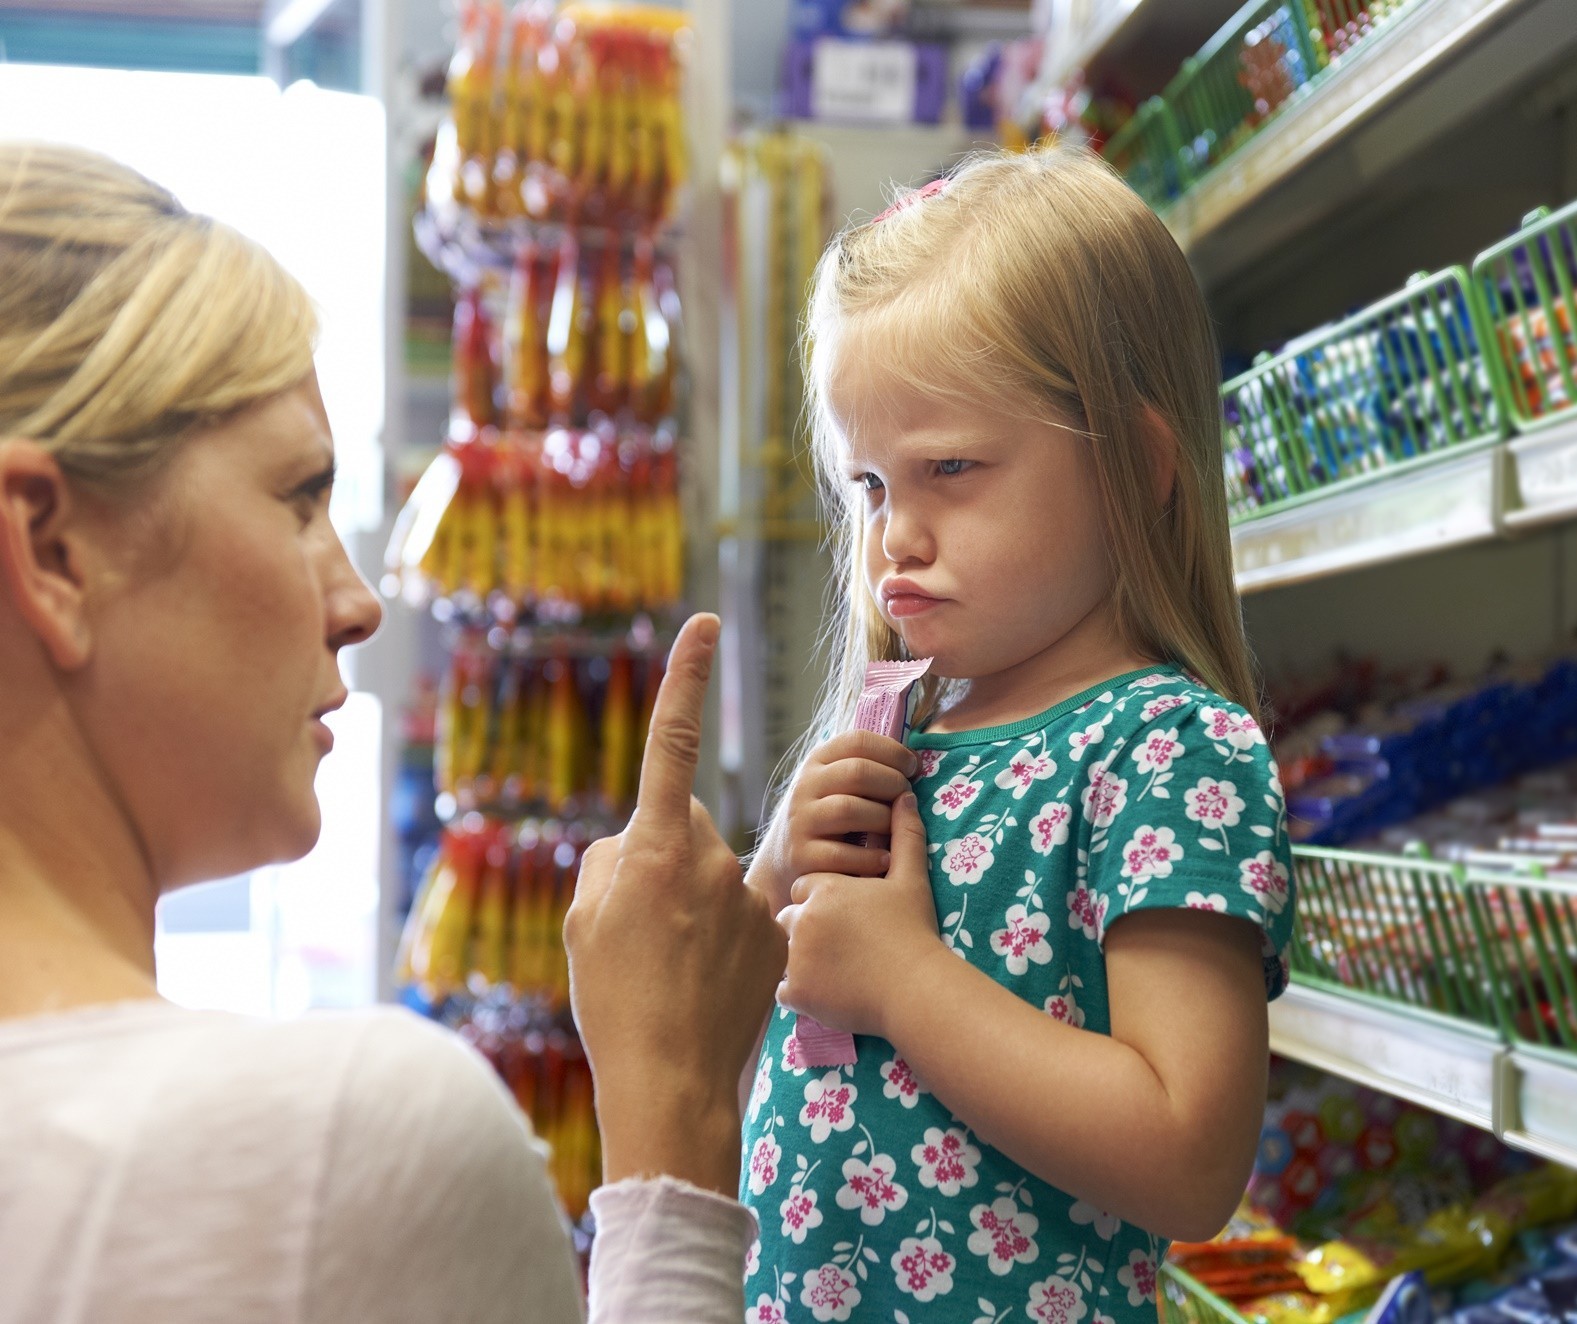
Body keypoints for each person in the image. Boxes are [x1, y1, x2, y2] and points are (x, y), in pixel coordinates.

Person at [0, 140, 783, 1323]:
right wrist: (674, 1122)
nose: (359, 602)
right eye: (297, 498)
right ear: (51, 552)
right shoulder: (336, 1140)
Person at [739, 144, 1296, 1323]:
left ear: (1136, 466)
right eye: (872, 485)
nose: (896, 537)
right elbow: (720, 1026)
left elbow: (1190, 1154)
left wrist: (903, 982)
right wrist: (775, 871)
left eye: (948, 467)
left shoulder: (1163, 748)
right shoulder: (905, 737)